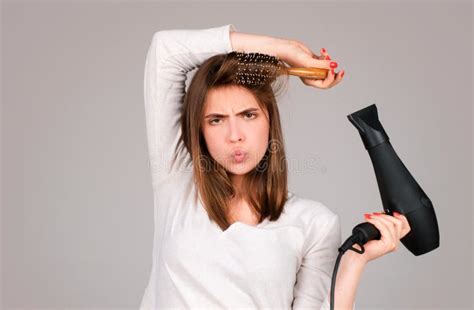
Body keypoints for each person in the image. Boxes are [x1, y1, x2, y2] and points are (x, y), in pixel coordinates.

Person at [140, 24, 411, 310]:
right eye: (216, 120)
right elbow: (166, 51)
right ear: (200, 130)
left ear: (270, 120)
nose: (235, 135)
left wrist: (355, 260)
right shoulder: (177, 181)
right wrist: (286, 50)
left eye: (248, 114)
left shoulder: (314, 224)